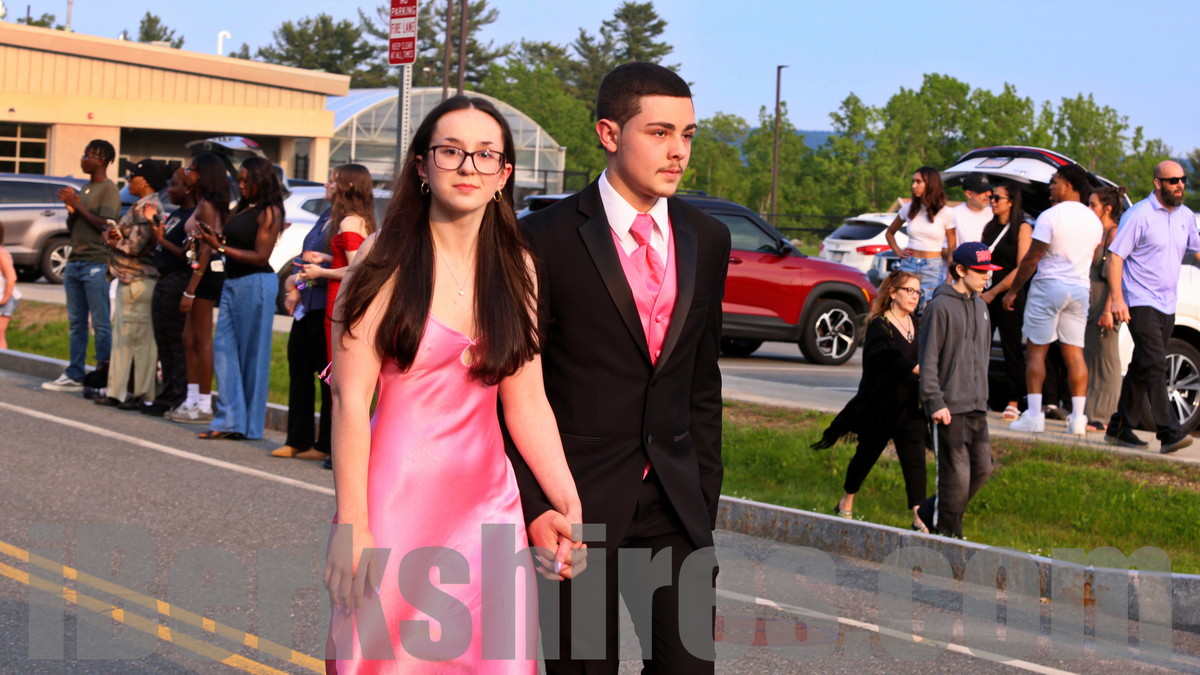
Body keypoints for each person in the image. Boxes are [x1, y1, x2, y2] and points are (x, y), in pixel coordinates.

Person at [322, 95, 582, 671]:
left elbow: (528, 402)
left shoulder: (517, 267)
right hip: (394, 505)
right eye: (451, 151)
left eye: (486, 154)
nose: (468, 166)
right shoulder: (380, 263)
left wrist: (568, 504)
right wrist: (351, 522)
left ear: (504, 174)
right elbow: (348, 401)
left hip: (491, 511)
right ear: (422, 165)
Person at [506, 62, 730, 673]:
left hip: (677, 506)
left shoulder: (708, 237)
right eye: (660, 133)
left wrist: (703, 497)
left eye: (687, 135)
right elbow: (514, 391)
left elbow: (701, 382)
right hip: (574, 505)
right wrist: (536, 505)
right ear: (609, 133)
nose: (679, 151)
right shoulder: (541, 238)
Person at [817, 270, 927, 532]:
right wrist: (915, 369)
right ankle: (846, 501)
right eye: (910, 290)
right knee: (866, 455)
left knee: (915, 460)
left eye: (918, 292)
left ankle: (919, 516)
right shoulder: (880, 324)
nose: (915, 296)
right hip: (881, 405)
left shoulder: (917, 324)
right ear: (893, 293)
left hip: (910, 406)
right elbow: (887, 356)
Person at [1107, 161, 1200, 453]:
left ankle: (1119, 428)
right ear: (1158, 183)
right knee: (1157, 363)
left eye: (1183, 179)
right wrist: (1117, 299)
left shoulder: (1186, 216)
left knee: (1142, 365)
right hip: (1139, 300)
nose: (1180, 185)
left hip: (1168, 303)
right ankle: (1168, 431)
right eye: (1173, 180)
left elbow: (1197, 251)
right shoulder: (1139, 215)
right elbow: (1115, 257)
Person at [1003, 164, 1103, 435]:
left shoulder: (1050, 216)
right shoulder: (1094, 220)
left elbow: (1032, 257)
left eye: (1055, 181)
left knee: (1036, 352)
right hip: (1079, 288)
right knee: (1075, 354)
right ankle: (1078, 419)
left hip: (1048, 285)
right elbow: (1094, 256)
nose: (1051, 186)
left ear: (1068, 186)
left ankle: (1034, 416)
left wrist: (1013, 291)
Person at [193, 157, 283, 441]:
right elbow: (234, 242)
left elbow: (261, 257)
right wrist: (216, 239)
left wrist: (219, 247)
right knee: (224, 350)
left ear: (261, 180)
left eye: (246, 180)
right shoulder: (244, 207)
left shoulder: (270, 211)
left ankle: (250, 426)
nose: (240, 185)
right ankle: (230, 420)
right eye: (239, 180)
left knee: (253, 356)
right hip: (232, 283)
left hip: (256, 283)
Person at [915, 242, 1000, 539]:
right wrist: (934, 401)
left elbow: (982, 356)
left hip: (976, 404)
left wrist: (983, 395)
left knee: (982, 468)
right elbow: (928, 359)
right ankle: (949, 537)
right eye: (980, 271)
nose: (986, 276)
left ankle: (930, 510)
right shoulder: (939, 307)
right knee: (956, 479)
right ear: (960, 270)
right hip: (948, 407)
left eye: (989, 271)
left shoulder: (981, 306)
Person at [43, 139, 120, 392]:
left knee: (100, 323)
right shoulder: (85, 188)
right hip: (75, 261)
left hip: (95, 262)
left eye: (88, 155)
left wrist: (77, 204)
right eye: (84, 155)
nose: (83, 159)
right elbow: (74, 227)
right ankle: (74, 373)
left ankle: (103, 374)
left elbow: (105, 225)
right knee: (76, 323)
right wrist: (72, 209)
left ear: (102, 160)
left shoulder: (109, 189)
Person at [92, 159, 168, 409]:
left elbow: (135, 246)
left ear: (144, 181)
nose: (128, 181)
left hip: (139, 279)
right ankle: (118, 391)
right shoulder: (142, 205)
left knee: (141, 341)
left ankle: (141, 393)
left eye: (132, 176)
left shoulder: (148, 207)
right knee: (124, 338)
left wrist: (112, 241)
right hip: (130, 279)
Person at [274, 181, 337, 463]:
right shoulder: (326, 215)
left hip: (327, 308)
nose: (327, 184)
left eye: (333, 179)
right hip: (306, 304)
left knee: (326, 378)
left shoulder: (353, 221)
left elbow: (350, 265)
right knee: (298, 369)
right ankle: (297, 439)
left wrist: (316, 272)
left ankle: (325, 444)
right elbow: (304, 262)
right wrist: (296, 287)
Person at [165, 152, 229, 424]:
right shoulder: (203, 202)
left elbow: (206, 250)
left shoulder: (209, 206)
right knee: (188, 338)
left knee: (201, 339)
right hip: (197, 272)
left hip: (205, 274)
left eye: (192, 169)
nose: (188, 172)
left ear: (204, 174)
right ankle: (191, 399)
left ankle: (203, 403)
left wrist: (190, 290)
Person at [294, 163, 377, 359]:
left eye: (332, 181)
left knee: (334, 364)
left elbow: (358, 270)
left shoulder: (349, 221)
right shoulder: (359, 219)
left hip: (338, 299)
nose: (327, 185)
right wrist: (327, 258)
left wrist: (321, 272)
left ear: (347, 186)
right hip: (333, 299)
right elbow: (354, 260)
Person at [143, 168, 197, 416]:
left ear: (188, 188)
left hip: (178, 280)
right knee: (162, 340)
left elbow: (187, 256)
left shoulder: (192, 217)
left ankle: (177, 394)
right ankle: (166, 393)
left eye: (174, 185)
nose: (169, 190)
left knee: (175, 341)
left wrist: (161, 239)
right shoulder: (175, 213)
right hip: (163, 279)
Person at [978, 183, 1033, 421]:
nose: (992, 201)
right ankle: (978, 395)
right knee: (980, 346)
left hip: (1009, 295)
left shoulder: (1022, 228)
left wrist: (996, 292)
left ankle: (1013, 401)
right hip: (985, 293)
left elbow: (1022, 266)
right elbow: (981, 259)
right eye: (991, 197)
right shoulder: (989, 227)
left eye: (997, 198)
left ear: (1011, 201)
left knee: (1011, 347)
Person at [1082, 185, 1127, 433]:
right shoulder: (1095, 232)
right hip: (1090, 298)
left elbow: (1115, 275)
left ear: (1107, 208)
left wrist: (1108, 309)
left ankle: (1106, 415)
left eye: (1093, 204)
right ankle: (1090, 412)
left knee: (1106, 359)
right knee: (1091, 356)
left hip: (1105, 299)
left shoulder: (1114, 232)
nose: (1089, 208)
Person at [886, 166, 957, 312]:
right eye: (913, 181)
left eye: (918, 182)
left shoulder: (946, 212)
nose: (914, 186)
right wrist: (898, 251)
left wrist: (949, 279)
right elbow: (889, 233)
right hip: (909, 265)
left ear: (930, 184)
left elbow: (952, 248)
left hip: (933, 267)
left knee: (928, 310)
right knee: (902, 308)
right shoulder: (908, 208)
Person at [951, 172, 993, 244]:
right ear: (969, 194)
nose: (988, 194)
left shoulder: (994, 213)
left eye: (989, 190)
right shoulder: (954, 214)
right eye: (982, 191)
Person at [0, 223, 18, 349]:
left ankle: (3, 358)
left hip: (4, 298)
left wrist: (5, 298)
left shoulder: (1, 254)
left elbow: (11, 277)